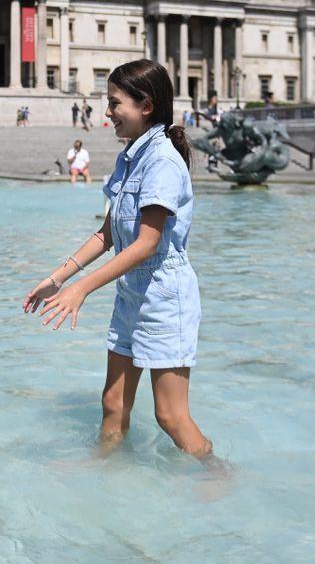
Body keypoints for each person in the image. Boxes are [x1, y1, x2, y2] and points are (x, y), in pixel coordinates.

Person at [23, 58, 220, 469]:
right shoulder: (130, 158)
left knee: (169, 416)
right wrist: (57, 279)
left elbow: (147, 244)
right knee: (112, 402)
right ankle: (103, 474)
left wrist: (82, 289)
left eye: (114, 103)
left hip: (165, 298)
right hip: (132, 295)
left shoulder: (163, 161)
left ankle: (218, 476)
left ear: (145, 105)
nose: (107, 112)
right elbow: (107, 234)